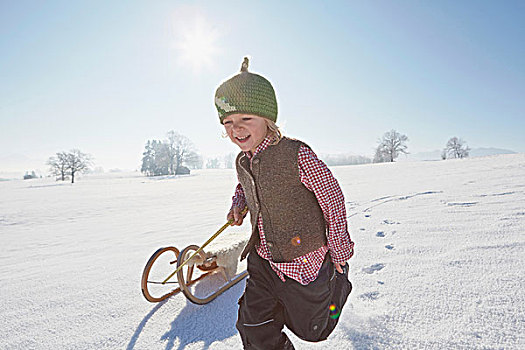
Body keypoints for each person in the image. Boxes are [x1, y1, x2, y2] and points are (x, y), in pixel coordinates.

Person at [214, 57, 354, 350]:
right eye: (228, 122)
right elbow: (245, 185)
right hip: (263, 259)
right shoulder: (243, 160)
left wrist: (340, 250)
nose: (235, 129)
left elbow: (332, 197)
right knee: (253, 326)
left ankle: (338, 284)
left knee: (313, 330)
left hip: (304, 261)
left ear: (267, 119)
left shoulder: (296, 154)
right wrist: (239, 203)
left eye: (245, 119)